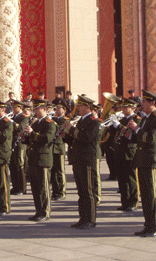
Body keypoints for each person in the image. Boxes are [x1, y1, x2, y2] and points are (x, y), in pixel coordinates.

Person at [128, 90, 156, 237]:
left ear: (153, 103)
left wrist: (136, 129)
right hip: (143, 160)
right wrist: (131, 134)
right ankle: (148, 225)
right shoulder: (146, 118)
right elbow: (140, 138)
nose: (142, 104)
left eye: (145, 102)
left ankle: (155, 227)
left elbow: (151, 138)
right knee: (145, 196)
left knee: (153, 195)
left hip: (152, 161)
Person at [63, 95, 99, 229]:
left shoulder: (93, 121)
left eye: (81, 106)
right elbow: (76, 140)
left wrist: (72, 129)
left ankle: (91, 219)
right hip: (78, 159)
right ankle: (83, 218)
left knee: (89, 191)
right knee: (81, 191)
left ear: (87, 107)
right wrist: (66, 136)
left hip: (87, 160)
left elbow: (87, 138)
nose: (78, 108)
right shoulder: (81, 120)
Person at [24, 99, 56, 222]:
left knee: (43, 187)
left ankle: (45, 211)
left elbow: (47, 139)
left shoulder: (49, 123)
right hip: (33, 158)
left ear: (44, 109)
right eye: (34, 109)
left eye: (37, 109)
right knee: (35, 187)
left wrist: (32, 134)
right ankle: (38, 211)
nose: (35, 111)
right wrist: (25, 137)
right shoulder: (35, 123)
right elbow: (31, 140)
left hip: (43, 159)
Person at [112, 98, 140, 211]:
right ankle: (125, 201)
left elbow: (133, 136)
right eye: (122, 107)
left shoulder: (137, 119)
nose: (122, 109)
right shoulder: (123, 119)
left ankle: (133, 202)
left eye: (125, 107)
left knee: (131, 178)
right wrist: (111, 125)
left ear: (132, 108)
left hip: (130, 152)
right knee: (122, 178)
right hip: (120, 152)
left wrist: (118, 126)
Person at [10, 99, 29, 195]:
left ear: (20, 108)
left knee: (20, 165)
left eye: (15, 107)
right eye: (12, 107)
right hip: (12, 143)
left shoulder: (24, 117)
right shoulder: (13, 117)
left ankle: (22, 188)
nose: (13, 108)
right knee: (12, 165)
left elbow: (21, 128)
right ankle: (15, 186)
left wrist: (11, 122)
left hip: (20, 144)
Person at [50, 100, 68, 201]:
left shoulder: (65, 120)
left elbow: (62, 130)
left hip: (59, 147)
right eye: (56, 108)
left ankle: (62, 192)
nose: (56, 109)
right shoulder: (53, 119)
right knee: (53, 171)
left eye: (59, 108)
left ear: (64, 110)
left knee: (60, 171)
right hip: (52, 147)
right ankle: (55, 191)